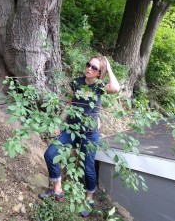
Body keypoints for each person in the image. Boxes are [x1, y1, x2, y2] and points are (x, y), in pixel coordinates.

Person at [38, 56, 120, 217]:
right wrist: (58, 123)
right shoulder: (76, 82)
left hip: (89, 134)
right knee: (50, 154)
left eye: (94, 68)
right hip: (70, 130)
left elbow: (116, 88)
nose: (89, 68)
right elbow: (69, 104)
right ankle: (57, 190)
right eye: (88, 64)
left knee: (88, 168)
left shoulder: (99, 86)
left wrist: (108, 67)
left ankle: (89, 198)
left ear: (99, 73)